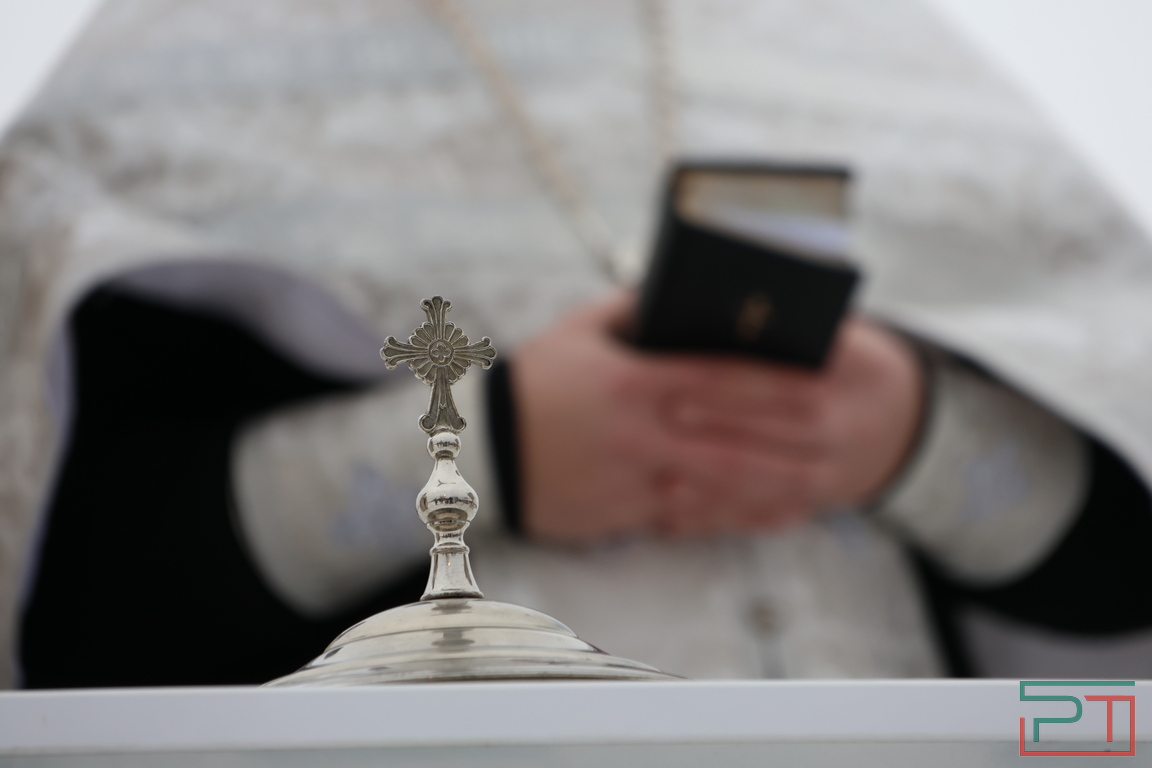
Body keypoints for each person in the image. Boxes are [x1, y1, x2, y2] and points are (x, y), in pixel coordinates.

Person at [4, 0, 1152, 688]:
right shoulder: (162, 70)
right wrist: (490, 451)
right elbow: (80, 589)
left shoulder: (884, 50)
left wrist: (914, 434)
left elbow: (1122, 553)